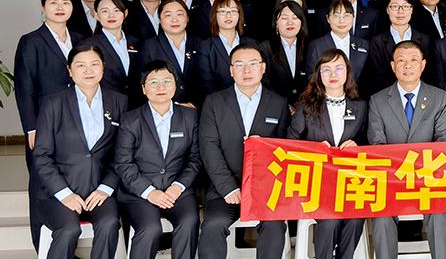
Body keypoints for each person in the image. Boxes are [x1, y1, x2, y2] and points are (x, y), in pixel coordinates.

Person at [33, 44, 127, 259]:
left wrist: (106, 188)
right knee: (69, 229)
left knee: (109, 223)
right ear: (69, 70)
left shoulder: (119, 102)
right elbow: (42, 155)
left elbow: (122, 154)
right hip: (57, 193)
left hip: (99, 191)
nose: (88, 71)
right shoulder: (53, 103)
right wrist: (64, 194)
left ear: (103, 67)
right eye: (80, 65)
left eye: (94, 64)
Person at [198, 43, 290, 259]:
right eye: (239, 65)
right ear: (231, 71)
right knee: (213, 226)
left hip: (266, 188)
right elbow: (209, 148)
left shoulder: (278, 103)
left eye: (253, 64)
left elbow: (285, 149)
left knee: (274, 226)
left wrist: (265, 147)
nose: (246, 70)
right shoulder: (214, 102)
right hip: (224, 188)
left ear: (263, 68)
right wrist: (228, 188)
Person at [367, 41, 446, 259]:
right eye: (401, 60)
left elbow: (442, 143)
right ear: (393, 66)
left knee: (439, 213)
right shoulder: (378, 101)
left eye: (413, 60)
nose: (407, 65)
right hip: (392, 180)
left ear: (423, 65)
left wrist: (421, 173)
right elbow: (377, 145)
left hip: (428, 180)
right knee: (381, 216)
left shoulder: (439, 98)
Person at [14, 0, 85, 250]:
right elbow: (24, 87)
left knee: (72, 178)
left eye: (65, 3)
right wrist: (31, 128)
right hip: (43, 125)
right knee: (41, 183)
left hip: (77, 122)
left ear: (72, 8)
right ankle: (41, 246)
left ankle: (69, 245)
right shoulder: (31, 40)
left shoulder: (80, 39)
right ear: (43, 8)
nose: (60, 7)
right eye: (53, 3)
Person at [114, 60, 201, 259]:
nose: (161, 87)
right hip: (139, 193)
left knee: (188, 222)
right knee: (150, 228)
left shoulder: (190, 117)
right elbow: (123, 163)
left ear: (175, 85)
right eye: (153, 82)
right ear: (144, 89)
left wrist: (178, 186)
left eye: (167, 81)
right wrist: (149, 192)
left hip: (178, 191)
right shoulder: (131, 120)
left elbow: (195, 159)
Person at [289, 48, 368, 259]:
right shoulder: (305, 107)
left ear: (347, 72)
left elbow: (370, 144)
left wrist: (358, 147)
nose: (333, 74)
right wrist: (312, 150)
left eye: (339, 68)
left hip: (350, 183)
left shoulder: (361, 107)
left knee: (355, 218)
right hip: (316, 183)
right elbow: (289, 146)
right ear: (318, 74)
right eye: (327, 69)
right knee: (331, 220)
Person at [135, 0, 203, 109]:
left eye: (179, 14)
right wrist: (172, 106)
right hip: (163, 111)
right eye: (168, 15)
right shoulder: (148, 47)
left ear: (187, 17)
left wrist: (195, 105)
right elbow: (142, 84)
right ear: (159, 19)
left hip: (199, 111)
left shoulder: (201, 44)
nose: (174, 19)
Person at [364, 0, 432, 96]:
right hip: (387, 97)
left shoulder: (424, 40)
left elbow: (428, 74)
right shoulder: (377, 42)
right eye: (395, 6)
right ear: (387, 9)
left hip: (419, 96)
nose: (400, 11)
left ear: (411, 9)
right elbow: (378, 76)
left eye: (405, 6)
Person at [195, 0, 255, 99]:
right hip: (219, 104)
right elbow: (206, 84)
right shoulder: (205, 47)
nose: (228, 15)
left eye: (233, 11)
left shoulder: (253, 44)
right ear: (214, 15)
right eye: (222, 11)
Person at [306, 0, 369, 83]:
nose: (342, 21)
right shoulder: (316, 46)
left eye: (346, 15)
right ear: (328, 18)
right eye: (336, 16)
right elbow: (312, 77)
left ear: (353, 17)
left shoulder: (365, 45)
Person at [88, 0, 139, 96]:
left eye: (116, 10)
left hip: (137, 102)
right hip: (108, 101)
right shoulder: (90, 46)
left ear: (125, 13)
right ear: (97, 15)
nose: (111, 15)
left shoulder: (137, 43)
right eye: (105, 11)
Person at [260, 1, 311, 105]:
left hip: (306, 107)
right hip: (275, 106)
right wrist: (285, 106)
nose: (290, 22)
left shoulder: (310, 47)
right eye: (284, 18)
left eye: (295, 17)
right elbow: (264, 82)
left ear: (301, 22)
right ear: (276, 23)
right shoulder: (264, 49)